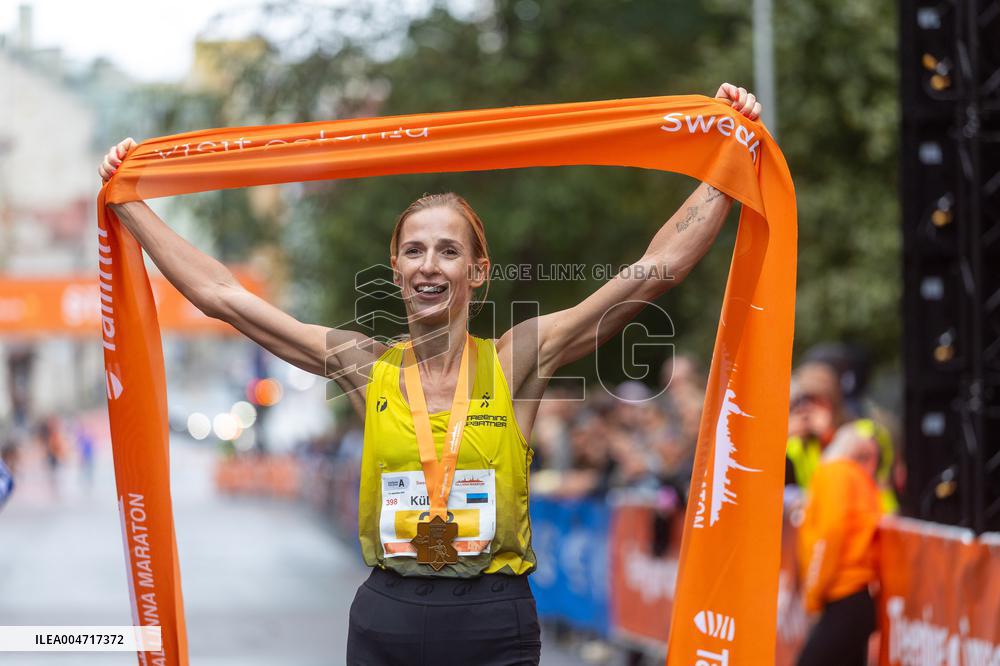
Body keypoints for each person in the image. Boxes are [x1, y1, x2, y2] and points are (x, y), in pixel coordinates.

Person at [99, 82, 763, 665]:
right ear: (396, 273)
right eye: (413, 250)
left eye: (449, 251)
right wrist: (130, 202)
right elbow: (224, 297)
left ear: (476, 272)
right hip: (388, 618)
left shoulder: (516, 359)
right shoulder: (362, 366)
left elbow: (655, 270)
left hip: (493, 619)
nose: (428, 265)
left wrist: (727, 160)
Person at [796, 421, 882, 666]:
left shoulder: (834, 474)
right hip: (859, 597)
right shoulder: (861, 481)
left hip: (842, 595)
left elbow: (829, 537)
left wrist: (812, 594)